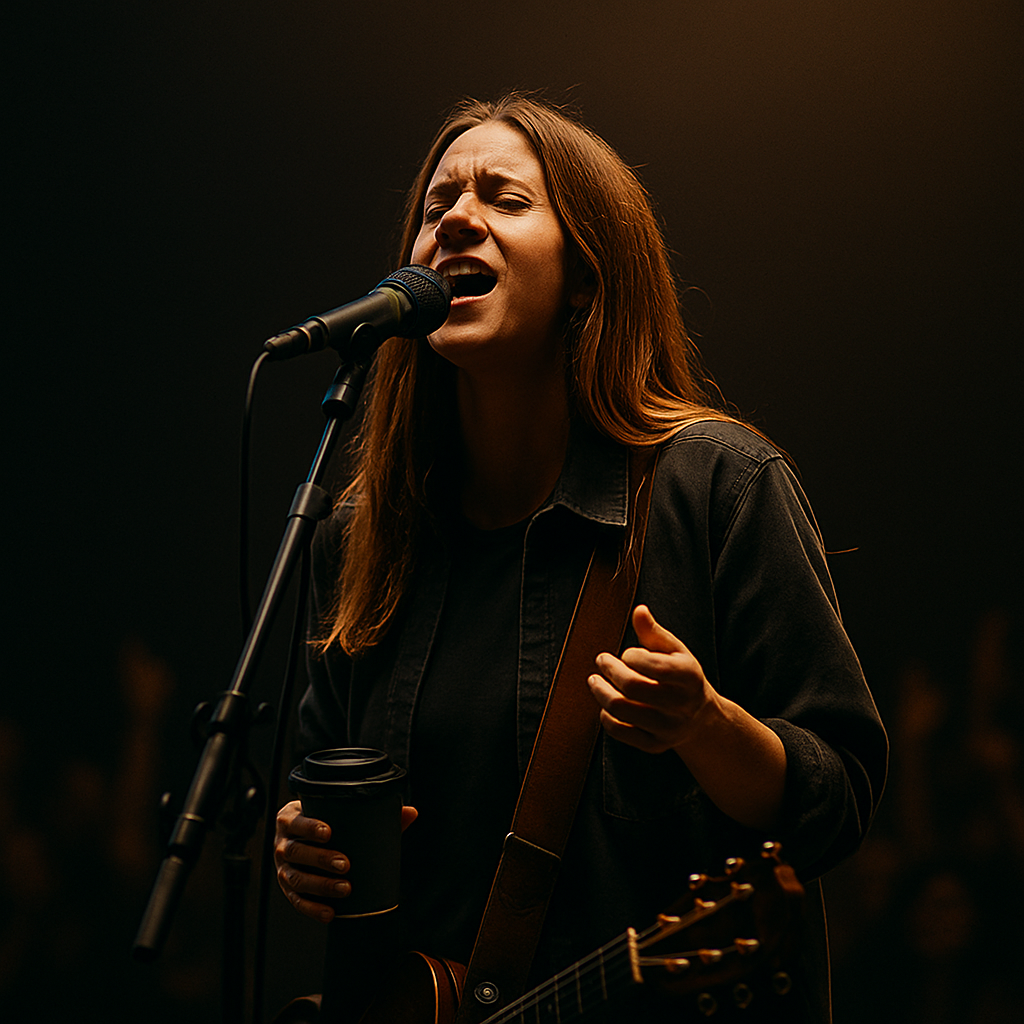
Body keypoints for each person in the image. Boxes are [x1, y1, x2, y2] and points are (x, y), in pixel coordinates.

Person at [274, 93, 887, 1022]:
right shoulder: (366, 532)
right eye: (436, 206)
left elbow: (836, 801)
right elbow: (323, 772)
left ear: (588, 274)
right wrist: (301, 842)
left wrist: (705, 723)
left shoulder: (718, 485)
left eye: (505, 199)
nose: (457, 221)